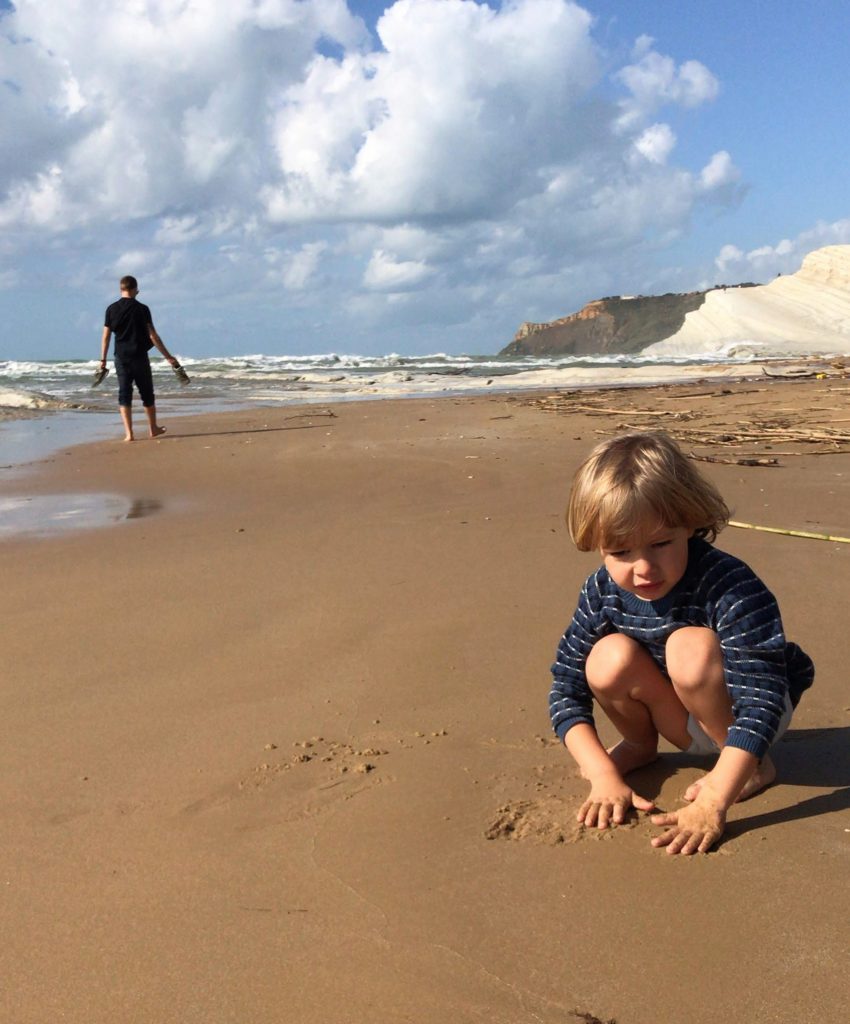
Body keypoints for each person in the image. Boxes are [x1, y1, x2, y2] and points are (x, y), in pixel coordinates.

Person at [549, 431, 814, 855]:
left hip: (751, 717)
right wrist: (600, 773)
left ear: (689, 523)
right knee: (606, 659)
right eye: (620, 552)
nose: (643, 568)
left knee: (687, 648)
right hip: (681, 714)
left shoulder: (730, 586)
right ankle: (638, 746)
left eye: (660, 544)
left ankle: (752, 769)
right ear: (597, 546)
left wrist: (713, 801)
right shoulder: (601, 592)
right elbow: (565, 689)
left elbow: (761, 702)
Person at [99, 275, 179, 441]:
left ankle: (129, 433)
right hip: (139, 356)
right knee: (147, 393)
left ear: (121, 289)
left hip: (121, 357)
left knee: (124, 394)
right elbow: (153, 336)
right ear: (135, 289)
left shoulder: (111, 309)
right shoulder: (142, 309)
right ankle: (153, 428)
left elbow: (105, 336)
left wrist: (103, 360)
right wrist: (168, 357)